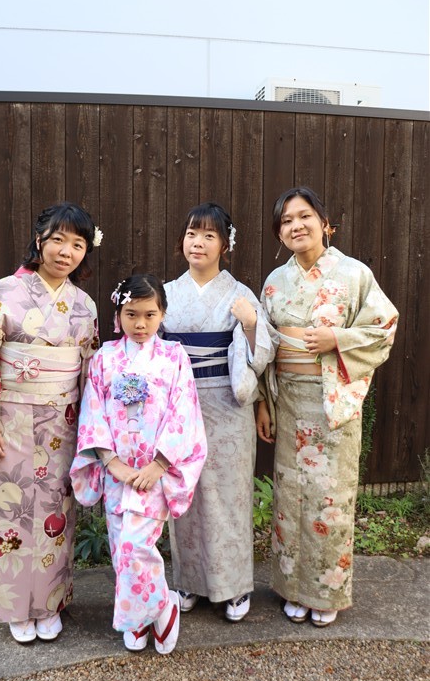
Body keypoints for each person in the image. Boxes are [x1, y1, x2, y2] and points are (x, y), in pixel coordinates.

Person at [0, 202, 102, 643]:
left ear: (85, 252)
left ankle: (50, 603)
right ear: (39, 241)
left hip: (62, 424)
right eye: (58, 240)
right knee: (8, 511)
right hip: (8, 420)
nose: (66, 252)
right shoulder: (5, 292)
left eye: (77, 244)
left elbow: (92, 372)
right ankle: (15, 607)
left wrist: (92, 433)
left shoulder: (84, 306)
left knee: (57, 510)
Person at [257, 186, 398, 627]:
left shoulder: (354, 274)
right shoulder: (275, 282)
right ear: (279, 233)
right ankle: (292, 589)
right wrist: (264, 403)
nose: (296, 226)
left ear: (324, 223)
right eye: (286, 221)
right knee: (290, 496)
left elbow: (384, 327)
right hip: (289, 399)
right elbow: (263, 346)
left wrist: (337, 337)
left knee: (330, 498)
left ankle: (326, 591)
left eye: (304, 216)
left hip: (332, 399)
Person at [70, 274, 207, 654]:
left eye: (150, 314)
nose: (141, 324)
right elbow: (93, 410)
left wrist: (159, 465)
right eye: (131, 314)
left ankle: (158, 608)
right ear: (119, 314)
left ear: (162, 314)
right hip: (118, 471)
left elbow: (184, 411)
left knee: (136, 545)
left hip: (154, 473)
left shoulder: (174, 356)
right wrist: (111, 462)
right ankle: (145, 616)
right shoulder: (104, 358)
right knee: (121, 548)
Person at [161, 202, 276, 622]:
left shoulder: (240, 294)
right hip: (179, 403)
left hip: (228, 402)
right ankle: (189, 580)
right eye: (192, 233)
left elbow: (261, 355)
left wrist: (250, 324)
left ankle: (234, 586)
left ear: (225, 245)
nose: (198, 242)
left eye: (209, 235)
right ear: (182, 240)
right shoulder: (166, 294)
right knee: (184, 491)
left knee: (230, 493)